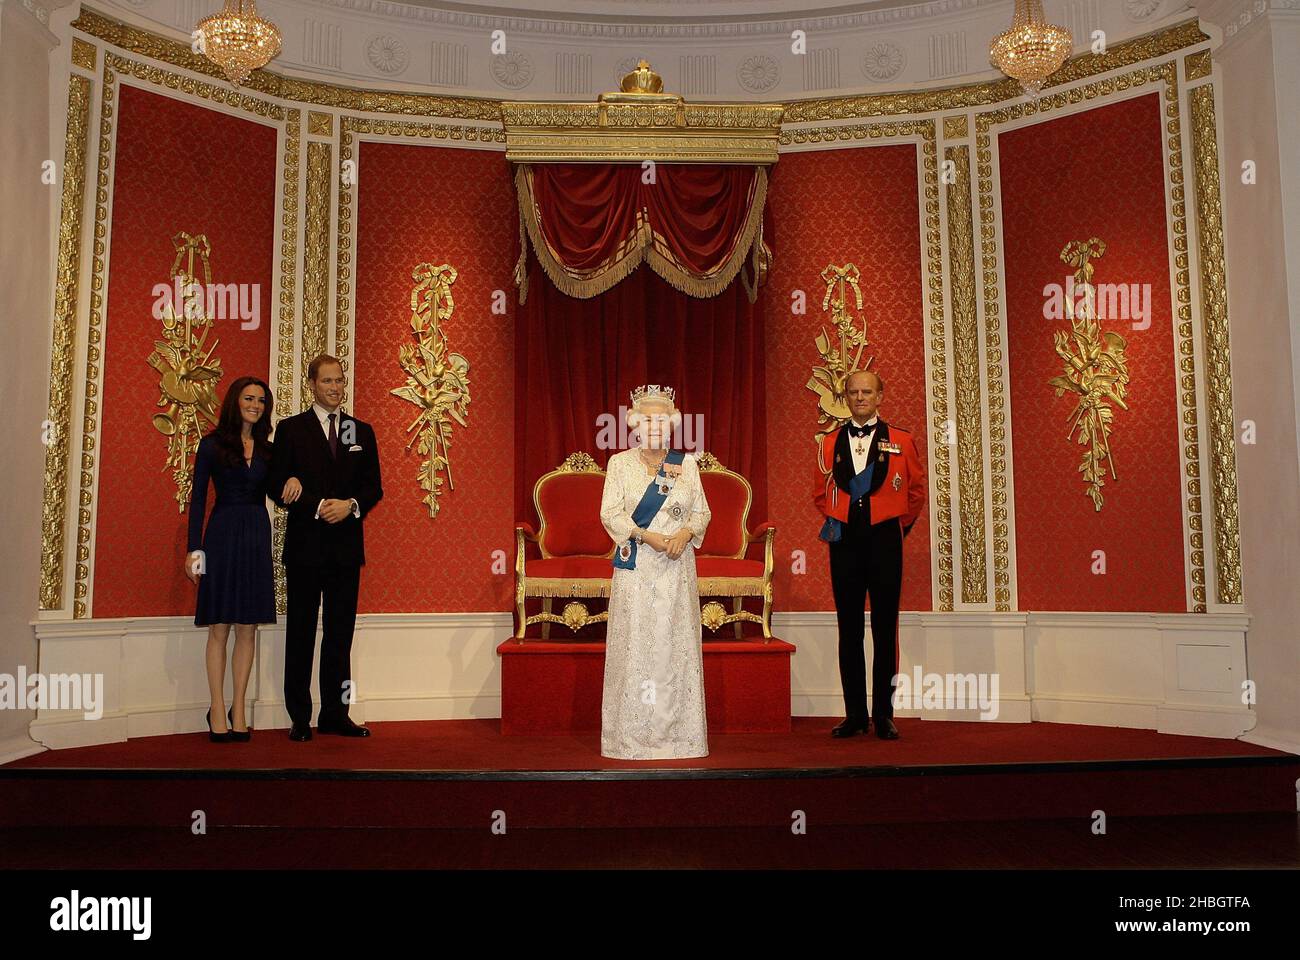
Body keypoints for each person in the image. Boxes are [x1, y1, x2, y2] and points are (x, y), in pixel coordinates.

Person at [267, 354, 383, 741]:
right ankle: (300, 716)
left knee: (340, 635)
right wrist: (316, 505)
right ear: (312, 385)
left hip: (346, 551)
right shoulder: (290, 429)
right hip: (304, 549)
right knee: (299, 633)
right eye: (327, 381)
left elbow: (373, 488)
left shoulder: (359, 431)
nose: (335, 388)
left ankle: (337, 713)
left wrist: (350, 506)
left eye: (339, 381)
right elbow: (276, 484)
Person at [813, 369, 926, 740]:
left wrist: (893, 525)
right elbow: (819, 492)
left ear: (880, 396)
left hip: (884, 542)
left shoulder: (902, 440)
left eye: (867, 392)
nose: (860, 398)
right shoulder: (828, 442)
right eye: (853, 392)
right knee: (849, 629)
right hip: (844, 542)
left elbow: (915, 492)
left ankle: (884, 715)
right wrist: (842, 517)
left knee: (883, 628)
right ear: (845, 397)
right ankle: (855, 715)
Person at [598, 385, 711, 760]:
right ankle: (630, 741)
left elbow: (702, 512)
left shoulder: (686, 464)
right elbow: (610, 513)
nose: (654, 424)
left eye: (661, 418)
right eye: (647, 418)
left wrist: (684, 532)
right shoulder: (619, 464)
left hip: (676, 568)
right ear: (633, 423)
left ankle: (678, 738)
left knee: (671, 644)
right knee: (636, 645)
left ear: (672, 423)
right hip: (637, 564)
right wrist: (649, 536)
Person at [185, 376, 286, 743]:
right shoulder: (211, 445)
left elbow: (279, 492)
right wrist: (194, 550)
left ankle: (239, 709)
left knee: (247, 627)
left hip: (257, 534)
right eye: (249, 398)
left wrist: (295, 483)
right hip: (223, 534)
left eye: (261, 400)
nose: (255, 405)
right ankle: (216, 708)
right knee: (219, 626)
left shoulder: (268, 450)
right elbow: (198, 500)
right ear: (235, 401)